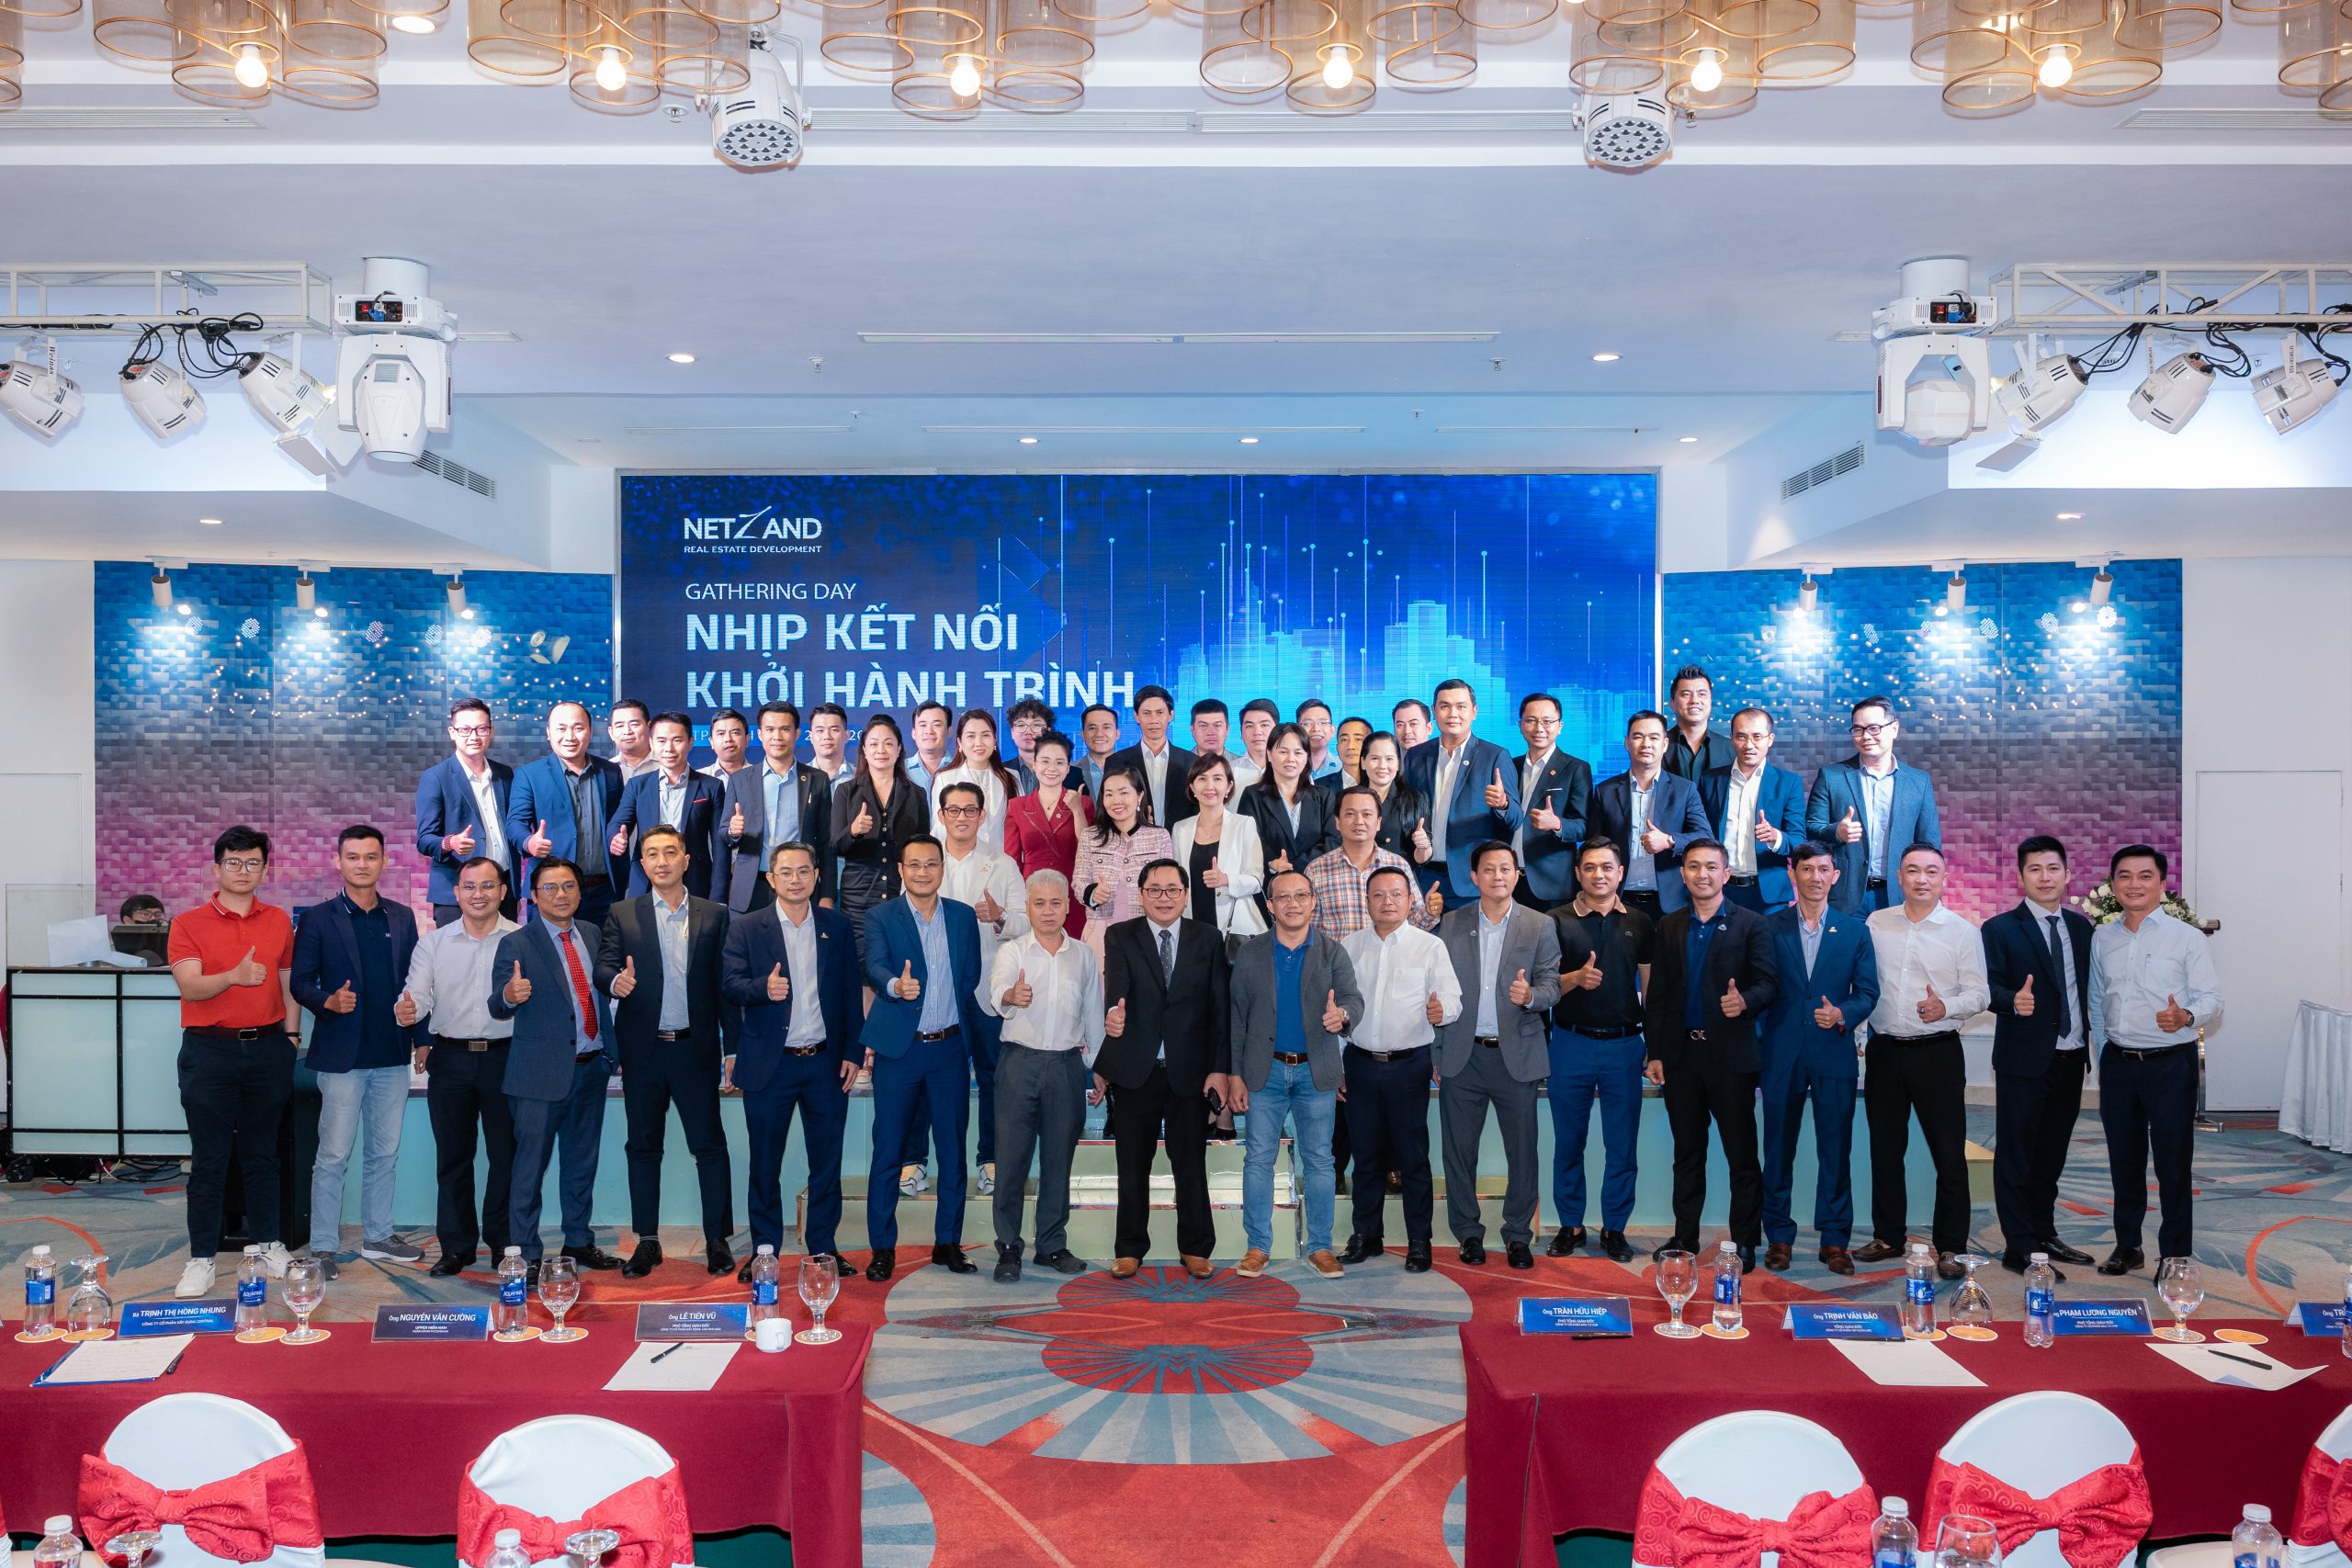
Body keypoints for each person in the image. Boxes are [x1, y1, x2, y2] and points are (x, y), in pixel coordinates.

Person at [596, 824, 738, 1279]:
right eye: (652, 854)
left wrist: (732, 1049)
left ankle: (717, 1239)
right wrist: (614, 981)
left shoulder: (714, 914)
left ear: (686, 860)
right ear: (643, 864)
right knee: (643, 1147)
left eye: (670, 852)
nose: (662, 861)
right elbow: (604, 965)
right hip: (643, 1052)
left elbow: (724, 987)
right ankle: (647, 1241)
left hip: (695, 1049)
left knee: (710, 1146)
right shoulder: (623, 913)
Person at [718, 841, 861, 1284]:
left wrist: (853, 1052)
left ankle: (823, 1248)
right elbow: (730, 985)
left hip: (824, 1063)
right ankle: (764, 1250)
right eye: (786, 872)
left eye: (804, 871)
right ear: (771, 878)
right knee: (764, 1164)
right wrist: (763, 989)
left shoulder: (837, 926)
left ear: (817, 876)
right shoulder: (747, 927)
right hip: (770, 1065)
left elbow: (850, 994)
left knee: (827, 1162)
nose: (795, 879)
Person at [166, 825, 299, 1297]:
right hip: (210, 1051)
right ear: (217, 868)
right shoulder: (188, 923)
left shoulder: (278, 920)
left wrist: (292, 1036)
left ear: (265, 868)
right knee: (210, 1159)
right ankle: (201, 1258)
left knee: (264, 1155)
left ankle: (269, 1244)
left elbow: (287, 982)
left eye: (253, 863)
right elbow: (190, 987)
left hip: (268, 1049)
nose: (244, 871)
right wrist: (233, 977)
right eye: (234, 862)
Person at [291, 825, 423, 1277]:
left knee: (385, 1153)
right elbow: (300, 982)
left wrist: (422, 1037)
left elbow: (416, 983)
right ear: (338, 862)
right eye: (353, 857)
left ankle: (378, 1236)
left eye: (370, 856)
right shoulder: (317, 918)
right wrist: (327, 1001)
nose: (362, 864)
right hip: (341, 1058)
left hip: (391, 1055)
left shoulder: (402, 916)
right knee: (332, 1156)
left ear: (384, 861)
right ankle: (323, 1247)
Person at [1642, 839, 1779, 1271]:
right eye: (1694, 866)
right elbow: (1658, 996)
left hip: (1731, 1059)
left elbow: (1769, 984)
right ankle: (1684, 1237)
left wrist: (1746, 1002)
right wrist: (1655, 1052)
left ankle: (1745, 1242)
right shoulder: (1669, 925)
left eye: (1711, 867)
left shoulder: (1752, 923)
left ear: (1726, 874)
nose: (1702, 874)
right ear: (1683, 875)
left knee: (1742, 1156)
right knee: (1687, 1153)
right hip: (1681, 1057)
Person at [2091, 843, 2222, 1278]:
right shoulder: (2103, 937)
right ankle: (2128, 1246)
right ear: (2114, 884)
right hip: (2118, 1064)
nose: (2135, 884)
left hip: (2170, 1065)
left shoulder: (2186, 938)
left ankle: (2175, 1253)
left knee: (2172, 1163)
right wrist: (2102, 1055)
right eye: (2125, 876)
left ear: (2162, 885)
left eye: (2145, 876)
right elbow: (2097, 1001)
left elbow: (2212, 999)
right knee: (2123, 1160)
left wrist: (2186, 1016)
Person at [1096, 858, 1233, 1279]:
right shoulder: (1121, 935)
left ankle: (1196, 1248)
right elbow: (1117, 991)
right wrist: (1113, 1017)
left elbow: (1219, 1009)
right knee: (1131, 1164)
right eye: (1154, 890)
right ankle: (1129, 1248)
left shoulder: (1208, 938)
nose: (1164, 897)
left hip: (1189, 1072)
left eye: (1173, 889)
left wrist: (1219, 1069)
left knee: (1190, 1163)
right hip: (1136, 1068)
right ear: (1141, 895)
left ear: (1186, 895)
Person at [488, 856, 622, 1281]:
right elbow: (496, 1003)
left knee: (582, 1164)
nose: (560, 894)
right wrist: (509, 995)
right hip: (538, 1075)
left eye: (568, 886)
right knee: (529, 1169)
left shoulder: (592, 933)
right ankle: (525, 1254)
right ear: (533, 895)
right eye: (550, 887)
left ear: (580, 892)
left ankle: (578, 1240)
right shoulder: (516, 943)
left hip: (591, 1068)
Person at [859, 835, 986, 1281]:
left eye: (931, 864)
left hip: (949, 1049)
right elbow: (874, 965)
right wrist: (896, 986)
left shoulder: (963, 916)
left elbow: (970, 975)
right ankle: (882, 1249)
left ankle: (948, 1243)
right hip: (900, 1050)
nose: (922, 872)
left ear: (942, 868)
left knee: (952, 1151)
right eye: (913, 864)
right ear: (900, 870)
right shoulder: (880, 916)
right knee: (888, 1151)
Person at [1856, 842, 1986, 1276]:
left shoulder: (1962, 932)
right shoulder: (1876, 923)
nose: (1922, 879)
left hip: (1938, 1053)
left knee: (1948, 1153)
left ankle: (1951, 1246)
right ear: (1899, 878)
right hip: (1885, 1052)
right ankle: (1888, 1236)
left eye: (1931, 871)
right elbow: (1862, 982)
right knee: (1885, 1150)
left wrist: (1945, 1007)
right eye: (1913, 870)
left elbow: (1980, 994)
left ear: (1944, 878)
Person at [1228, 868, 1363, 1279]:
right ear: (1270, 906)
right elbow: (1236, 1018)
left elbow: (1353, 999)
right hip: (1263, 1071)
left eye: (1301, 895)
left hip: (1315, 1071)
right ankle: (1257, 1246)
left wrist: (1343, 1016)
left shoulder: (1332, 952)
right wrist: (1235, 1075)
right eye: (1283, 897)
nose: (1293, 904)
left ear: (1313, 902)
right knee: (1258, 1159)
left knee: (1320, 1160)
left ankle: (1321, 1246)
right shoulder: (1250, 953)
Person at [1433, 841, 1562, 1269]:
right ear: (1474, 877)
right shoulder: (1451, 923)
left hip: (1516, 1055)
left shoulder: (1539, 924)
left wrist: (1531, 996)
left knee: (1523, 1153)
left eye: (1506, 868)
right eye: (1488, 869)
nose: (1497, 876)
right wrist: (1436, 1049)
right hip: (1462, 1054)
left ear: (1517, 874)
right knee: (1458, 1153)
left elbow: (1552, 985)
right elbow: (1437, 989)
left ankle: (1518, 1235)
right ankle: (1468, 1233)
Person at [1758, 840, 1879, 1274]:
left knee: (1835, 1148)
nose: (1815, 877)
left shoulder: (1855, 931)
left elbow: (1868, 992)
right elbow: (1759, 989)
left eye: (1823, 869)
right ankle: (1779, 1235)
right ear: (1793, 874)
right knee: (1777, 1149)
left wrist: (1842, 1013)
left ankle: (1834, 1239)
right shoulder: (1769, 927)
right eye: (1806, 869)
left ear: (1836, 876)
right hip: (1781, 1052)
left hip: (1833, 1052)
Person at [399, 855, 519, 1278]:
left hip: (507, 1059)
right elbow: (418, 995)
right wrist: (407, 1010)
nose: (478, 894)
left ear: (502, 892)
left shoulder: (522, 939)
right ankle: (456, 1247)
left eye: (487, 886)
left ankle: (505, 1243)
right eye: (469, 886)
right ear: (456, 893)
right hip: (450, 1059)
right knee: (453, 1157)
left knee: (507, 1156)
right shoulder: (434, 943)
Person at [1982, 835, 2097, 1275]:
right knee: (2016, 1155)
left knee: (2051, 1155)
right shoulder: (1999, 929)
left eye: (2053, 869)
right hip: (2023, 1060)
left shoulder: (2082, 929)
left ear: (2068, 875)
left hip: (2070, 1057)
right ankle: (2019, 1246)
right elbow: (1987, 986)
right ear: (2021, 877)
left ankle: (2043, 1233)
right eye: (2035, 869)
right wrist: (2012, 1000)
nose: (2045, 877)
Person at [1339, 865, 1460, 1273]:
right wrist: (1338, 1062)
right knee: (1365, 1156)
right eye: (1378, 895)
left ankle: (1419, 1241)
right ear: (1366, 901)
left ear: (1410, 901)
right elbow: (1338, 1009)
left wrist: (1443, 1011)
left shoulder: (1429, 946)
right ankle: (1366, 1235)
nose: (1387, 902)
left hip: (1409, 1066)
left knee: (1413, 1158)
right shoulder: (1350, 946)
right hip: (1359, 1063)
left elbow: (1452, 998)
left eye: (1396, 894)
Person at [987, 870, 1102, 1281]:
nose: (1048, 911)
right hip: (1019, 1064)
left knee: (1058, 1161)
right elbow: (997, 991)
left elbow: (1093, 1014)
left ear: (1068, 907)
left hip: (1067, 1067)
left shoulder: (1084, 956)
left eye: (1056, 903)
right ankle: (1008, 1248)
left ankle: (1051, 1245)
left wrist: (1098, 1068)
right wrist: (1010, 996)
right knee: (1011, 1161)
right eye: (1039, 903)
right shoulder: (1012, 951)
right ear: (1028, 908)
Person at [1544, 840, 1651, 1264]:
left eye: (1607, 867)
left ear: (1621, 873)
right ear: (1578, 874)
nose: (1599, 875)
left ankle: (1614, 1228)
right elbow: (1542, 986)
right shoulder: (1555, 921)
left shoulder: (1641, 922)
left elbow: (1651, 988)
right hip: (1570, 1044)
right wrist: (1575, 979)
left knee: (1622, 1146)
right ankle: (1570, 1225)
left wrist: (1654, 1046)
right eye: (1589, 867)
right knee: (1568, 1143)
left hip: (1625, 1047)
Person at [923, 781, 1029, 1201]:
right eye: (954, 810)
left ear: (983, 816)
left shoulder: (1001, 863)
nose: (962, 817)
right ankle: (916, 1161)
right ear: (942, 815)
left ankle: (991, 1159)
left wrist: (1000, 917)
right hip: (936, 991)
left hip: (986, 989)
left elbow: (1024, 921)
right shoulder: (926, 859)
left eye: (971, 810)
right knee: (931, 1078)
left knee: (992, 1077)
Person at [1806, 694, 1941, 914]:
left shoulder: (1918, 781)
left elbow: (1929, 845)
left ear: (1894, 729)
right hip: (1845, 896)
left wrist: (1932, 897)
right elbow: (1810, 830)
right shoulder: (1831, 777)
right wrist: (1836, 833)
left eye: (1874, 728)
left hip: (1900, 896)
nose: (1866, 736)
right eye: (1858, 730)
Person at [1403, 679, 1523, 908]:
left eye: (1461, 706)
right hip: (1423, 874)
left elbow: (1516, 819)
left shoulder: (1494, 756)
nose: (1453, 714)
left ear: (1474, 712)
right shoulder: (1416, 756)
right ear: (1434, 711)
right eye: (1445, 706)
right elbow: (1408, 811)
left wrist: (1503, 804)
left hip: (1471, 880)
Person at [507, 701, 626, 927]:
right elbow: (515, 823)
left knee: (603, 949)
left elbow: (616, 820)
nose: (570, 736)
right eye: (561, 728)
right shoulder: (529, 775)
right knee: (550, 950)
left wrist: (618, 837)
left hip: (604, 892)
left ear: (590, 731)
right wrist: (529, 842)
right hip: (552, 890)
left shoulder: (610, 771)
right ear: (548, 733)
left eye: (578, 728)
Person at [1588, 710, 1710, 919]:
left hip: (1672, 903)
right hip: (1619, 900)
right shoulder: (1605, 791)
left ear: (1665, 744)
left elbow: (1705, 837)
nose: (1646, 744)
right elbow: (1595, 845)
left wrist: (1669, 841)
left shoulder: (1684, 789)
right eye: (1638, 737)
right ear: (1627, 743)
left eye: (1654, 738)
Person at [831, 713, 931, 967]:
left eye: (888, 743)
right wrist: (852, 831)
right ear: (864, 750)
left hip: (902, 891)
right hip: (859, 894)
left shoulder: (916, 793)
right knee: (862, 967)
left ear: (899, 749)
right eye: (873, 744)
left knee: (900, 964)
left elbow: (923, 847)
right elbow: (836, 845)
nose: (881, 750)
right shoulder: (846, 791)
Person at [719, 700, 834, 915]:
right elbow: (724, 833)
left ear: (797, 733)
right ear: (760, 734)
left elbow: (826, 842)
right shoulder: (740, 779)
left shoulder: (817, 779)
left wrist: (827, 895)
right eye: (770, 729)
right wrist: (733, 832)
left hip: (799, 885)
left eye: (785, 729)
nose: (777, 737)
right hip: (752, 885)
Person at [605, 712, 727, 900]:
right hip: (646, 881)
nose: (669, 748)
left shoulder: (711, 786)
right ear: (652, 743)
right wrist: (615, 838)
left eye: (677, 740)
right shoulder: (638, 785)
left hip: (695, 881)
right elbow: (618, 823)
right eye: (661, 741)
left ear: (690, 742)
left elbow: (720, 847)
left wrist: (718, 896)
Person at [1699, 707, 1809, 912]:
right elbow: (1700, 833)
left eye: (1757, 737)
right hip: (1720, 890)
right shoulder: (1710, 780)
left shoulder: (1788, 782)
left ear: (1770, 739)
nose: (1748, 745)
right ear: (1732, 739)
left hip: (1769, 896)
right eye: (1741, 736)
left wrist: (1775, 837)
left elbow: (1799, 842)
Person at [416, 698, 514, 926]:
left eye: (481, 729)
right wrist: (450, 842)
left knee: (504, 950)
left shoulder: (505, 774)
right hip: (456, 893)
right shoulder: (435, 777)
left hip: (502, 891)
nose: (474, 736)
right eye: (465, 730)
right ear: (452, 733)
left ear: (491, 732)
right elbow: (424, 840)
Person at [1306, 786, 1440, 941]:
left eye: (1367, 814)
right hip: (1339, 956)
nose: (1359, 821)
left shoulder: (1398, 865)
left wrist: (1429, 911)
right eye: (1350, 814)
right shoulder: (1317, 870)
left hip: (1390, 955)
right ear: (1337, 822)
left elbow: (1412, 927)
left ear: (1378, 823)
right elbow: (1310, 930)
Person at [1073, 767, 1175, 967]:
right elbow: (1079, 882)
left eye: (1123, 793)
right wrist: (1093, 894)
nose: (1116, 800)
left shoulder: (1159, 836)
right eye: (1109, 794)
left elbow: (1169, 885)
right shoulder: (1090, 836)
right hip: (1100, 930)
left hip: (1147, 930)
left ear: (1139, 796)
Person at [1170, 752, 1269, 946]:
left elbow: (1257, 880)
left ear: (1229, 786)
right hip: (1193, 924)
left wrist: (1227, 880)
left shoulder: (1244, 824)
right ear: (1192, 787)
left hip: (1236, 929)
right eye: (1202, 779)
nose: (1210, 786)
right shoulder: (1180, 829)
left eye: (1217, 779)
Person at [1004, 730, 1095, 938]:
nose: (1052, 768)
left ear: (1068, 767)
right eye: (1045, 761)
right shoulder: (1017, 806)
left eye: (1059, 762)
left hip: (1071, 893)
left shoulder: (1084, 803)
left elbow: (1089, 850)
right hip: (1032, 893)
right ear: (1034, 764)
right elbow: (1012, 861)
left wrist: (1077, 810)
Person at [1512, 692, 1592, 911]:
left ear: (1560, 726)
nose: (1539, 728)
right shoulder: (1510, 766)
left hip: (1551, 883)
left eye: (1547, 721)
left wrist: (1557, 824)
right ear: (1521, 725)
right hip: (1508, 880)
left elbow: (1584, 826)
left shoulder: (1575, 768)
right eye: (1531, 720)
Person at [1239, 722, 1337, 896]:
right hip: (1270, 887)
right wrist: (1272, 862)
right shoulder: (1253, 795)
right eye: (1283, 752)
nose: (1291, 759)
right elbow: (1249, 839)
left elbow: (1333, 840)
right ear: (1269, 754)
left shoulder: (1324, 796)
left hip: (1317, 885)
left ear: (1307, 757)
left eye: (1298, 753)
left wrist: (1294, 866)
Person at [927, 708, 1018, 854]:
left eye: (985, 735)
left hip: (1002, 863)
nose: (979, 743)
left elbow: (1020, 829)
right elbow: (939, 831)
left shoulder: (1012, 777)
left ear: (995, 740)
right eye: (971, 736)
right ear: (960, 742)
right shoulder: (944, 778)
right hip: (961, 863)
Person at [1109, 684, 1196, 830]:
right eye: (1147, 713)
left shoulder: (1191, 762)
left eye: (1160, 713)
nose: (1153, 720)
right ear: (1136, 716)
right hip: (1134, 839)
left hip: (1181, 839)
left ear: (1171, 715)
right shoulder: (1117, 762)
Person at [1357, 731, 1425, 859]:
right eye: (1375, 758)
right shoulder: (1348, 799)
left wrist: (1424, 846)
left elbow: (1421, 859)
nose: (1382, 766)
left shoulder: (1415, 799)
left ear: (1398, 763)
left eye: (1389, 759)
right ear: (1363, 762)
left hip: (1399, 870)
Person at [1663, 664, 1733, 781]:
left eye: (1702, 694)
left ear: (1710, 702)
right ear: (1672, 704)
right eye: (1686, 694)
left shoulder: (1731, 749)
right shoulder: (1656, 747)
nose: (1694, 700)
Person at [1006, 696, 1055, 794]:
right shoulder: (1001, 772)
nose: (1028, 731)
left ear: (1048, 731)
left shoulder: (1069, 773)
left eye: (1036, 725)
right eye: (1021, 725)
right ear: (1012, 732)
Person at [905, 699, 954, 792]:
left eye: (937, 725)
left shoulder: (962, 769)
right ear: (914, 733)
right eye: (923, 725)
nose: (929, 731)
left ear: (949, 731)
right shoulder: (900, 771)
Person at [1078, 703, 1121, 801]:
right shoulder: (1069, 772)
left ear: (1117, 734)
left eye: (1106, 727)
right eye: (1092, 728)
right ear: (1083, 735)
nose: (1099, 734)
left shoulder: (1133, 769)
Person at [1235, 697, 1279, 790]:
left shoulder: (1293, 771)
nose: (1257, 732)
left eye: (1264, 725)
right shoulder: (1228, 772)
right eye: (1249, 726)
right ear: (1241, 733)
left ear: (1277, 731)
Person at [114, 893, 170, 965]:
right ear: (128, 921)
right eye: (145, 914)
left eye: (158, 915)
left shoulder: (171, 943)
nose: (153, 918)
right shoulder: (112, 949)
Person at [808, 702, 855, 786]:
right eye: (820, 731)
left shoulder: (861, 777)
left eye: (834, 730)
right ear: (811, 737)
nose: (827, 736)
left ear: (847, 736)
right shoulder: (798, 777)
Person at [608, 698, 655, 782]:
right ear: (611, 733)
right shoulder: (606, 770)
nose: (627, 732)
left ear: (649, 727)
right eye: (620, 726)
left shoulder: (668, 764)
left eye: (634, 724)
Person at [699, 708, 752, 782]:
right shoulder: (697, 779)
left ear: (747, 739)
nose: (728, 739)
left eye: (735, 733)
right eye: (721, 734)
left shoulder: (760, 777)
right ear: (711, 742)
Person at [1297, 698, 1341, 784]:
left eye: (1323, 723)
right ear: (1297, 730)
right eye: (1308, 724)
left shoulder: (1342, 767)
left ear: (1332, 731)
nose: (1316, 729)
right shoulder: (1289, 766)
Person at [1189, 698, 1234, 780]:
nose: (1211, 733)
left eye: (1217, 725)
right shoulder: (1179, 765)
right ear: (1192, 730)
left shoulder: (1242, 766)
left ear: (1227, 729)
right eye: (1203, 726)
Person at [1334, 716, 1373, 790]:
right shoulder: (1319, 786)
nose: (1350, 746)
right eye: (1344, 740)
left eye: (1358, 739)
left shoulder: (1383, 784)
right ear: (1337, 747)